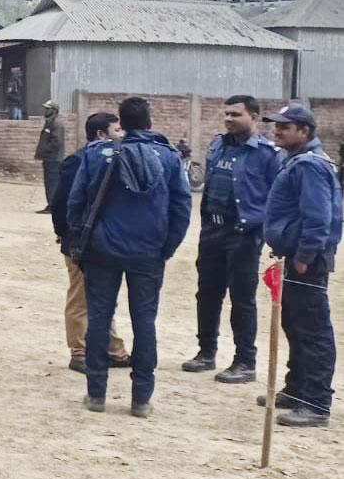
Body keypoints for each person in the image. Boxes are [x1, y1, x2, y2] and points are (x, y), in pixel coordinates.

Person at [65, 96, 190, 417]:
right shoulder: (168, 158)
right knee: (145, 322)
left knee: (99, 318)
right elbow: (181, 209)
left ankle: (96, 394)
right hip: (149, 253)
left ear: (122, 122)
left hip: (103, 251)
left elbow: (76, 202)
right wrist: (167, 247)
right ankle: (141, 399)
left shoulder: (96, 155)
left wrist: (84, 243)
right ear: (149, 122)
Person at [182, 95, 281, 384]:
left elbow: (276, 198)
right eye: (226, 114)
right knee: (207, 293)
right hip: (212, 231)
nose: (228, 119)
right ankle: (206, 352)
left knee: (242, 299)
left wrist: (262, 229)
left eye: (235, 114)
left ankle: (245, 361)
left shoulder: (267, 154)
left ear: (253, 117)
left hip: (243, 234)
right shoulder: (217, 145)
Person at [259, 102, 342, 427]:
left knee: (313, 330)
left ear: (304, 132)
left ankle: (317, 403)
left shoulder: (309, 166)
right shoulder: (295, 161)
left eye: (285, 126)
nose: (277, 131)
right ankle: (296, 390)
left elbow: (318, 218)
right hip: (291, 256)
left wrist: (305, 256)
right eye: (276, 125)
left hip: (305, 261)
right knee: (293, 323)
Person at [50, 112, 132, 373]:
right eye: (117, 130)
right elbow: (61, 204)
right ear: (100, 134)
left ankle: (114, 351)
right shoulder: (77, 161)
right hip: (80, 242)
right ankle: (79, 352)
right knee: (81, 298)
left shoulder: (112, 160)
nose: (122, 135)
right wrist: (67, 236)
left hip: (103, 241)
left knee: (104, 296)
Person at [35, 100, 65, 214]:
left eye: (48, 109)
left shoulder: (56, 123)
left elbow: (57, 142)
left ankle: (53, 206)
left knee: (52, 183)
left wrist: (45, 150)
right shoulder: (50, 122)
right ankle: (51, 204)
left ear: (54, 111)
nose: (45, 111)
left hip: (53, 159)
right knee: (49, 183)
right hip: (49, 158)